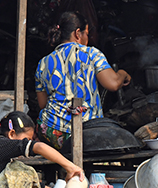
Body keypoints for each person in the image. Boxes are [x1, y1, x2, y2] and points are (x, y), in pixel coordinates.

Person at [34, 11, 131, 152]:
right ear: (77, 33)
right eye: (86, 34)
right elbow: (114, 84)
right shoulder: (91, 53)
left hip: (52, 133)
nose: (88, 39)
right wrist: (123, 73)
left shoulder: (43, 63)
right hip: (87, 133)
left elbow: (43, 104)